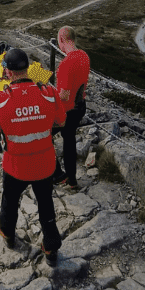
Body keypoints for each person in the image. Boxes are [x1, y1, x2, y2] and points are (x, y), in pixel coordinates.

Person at [0, 48, 64, 263]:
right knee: (46, 203)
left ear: (7, 72)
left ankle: (8, 233)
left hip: (16, 165)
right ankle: (51, 248)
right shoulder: (48, 92)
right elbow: (62, 121)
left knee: (10, 200)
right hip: (45, 163)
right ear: (28, 68)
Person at [53, 26, 90, 190]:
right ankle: (72, 179)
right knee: (69, 141)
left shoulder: (66, 63)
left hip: (66, 111)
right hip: (80, 106)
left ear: (61, 40)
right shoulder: (84, 56)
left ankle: (58, 174)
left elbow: (64, 95)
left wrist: (47, 94)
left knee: (44, 135)